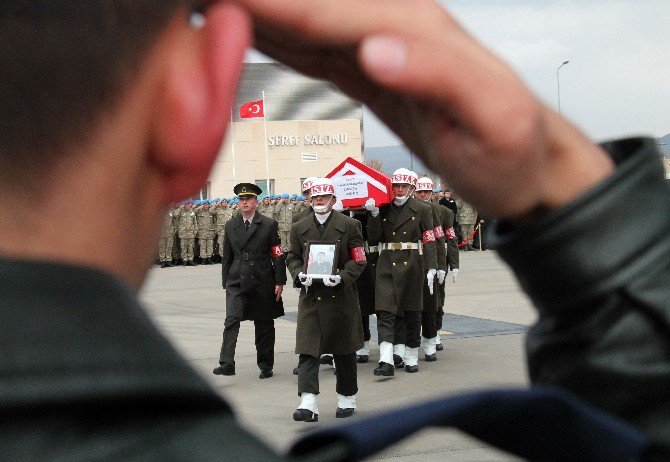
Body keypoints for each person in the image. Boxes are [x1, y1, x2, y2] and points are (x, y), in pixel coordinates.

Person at [2, 0, 667, 459]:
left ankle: (386, 364)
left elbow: (382, 246)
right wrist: (576, 199)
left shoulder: (375, 216)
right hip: (332, 286)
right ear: (202, 108)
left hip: (395, 273)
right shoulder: (294, 221)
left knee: (400, 321)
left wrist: (424, 259)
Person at [286, 178, 367, 421]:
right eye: (314, 197)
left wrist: (342, 277)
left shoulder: (350, 225)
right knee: (308, 350)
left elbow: (359, 259)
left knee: (344, 351)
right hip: (311, 297)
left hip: (340, 297)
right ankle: (308, 402)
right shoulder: (299, 227)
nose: (318, 201)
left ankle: (347, 398)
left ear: (333, 199)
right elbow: (292, 257)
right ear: (309, 199)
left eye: (323, 197)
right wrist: (299, 274)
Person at [365, 168, 438, 375]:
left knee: (412, 311)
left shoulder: (422, 209)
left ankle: (411, 354)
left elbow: (430, 238)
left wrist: (432, 266)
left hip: (413, 262)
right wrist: (374, 214)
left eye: (403, 186)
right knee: (385, 311)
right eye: (395, 186)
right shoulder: (384, 207)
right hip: (387, 261)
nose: (398, 190)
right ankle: (386, 359)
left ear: (411, 188)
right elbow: (373, 238)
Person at [213, 183, 286, 379]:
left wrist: (279, 282)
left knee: (263, 322)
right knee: (231, 319)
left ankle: (265, 364)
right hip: (237, 277)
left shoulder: (269, 224)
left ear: (256, 201)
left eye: (248, 199)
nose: (244, 202)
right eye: (241, 199)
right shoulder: (231, 225)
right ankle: (227, 362)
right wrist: (225, 281)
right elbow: (226, 255)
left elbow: (278, 254)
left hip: (262, 277)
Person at [414, 176, 447, 361]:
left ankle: (433, 336)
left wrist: (440, 265)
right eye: (419, 192)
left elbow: (438, 238)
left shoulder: (435, 210)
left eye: (426, 192)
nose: (423, 195)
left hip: (429, 260)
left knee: (433, 304)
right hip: (411, 261)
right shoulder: (408, 208)